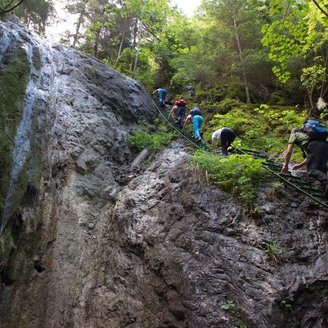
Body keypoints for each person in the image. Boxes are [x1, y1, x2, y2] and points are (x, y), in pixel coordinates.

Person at [280, 127, 328, 193]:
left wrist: (286, 166)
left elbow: (289, 151)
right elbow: (310, 156)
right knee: (321, 169)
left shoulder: (294, 135)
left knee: (312, 170)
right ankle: (325, 192)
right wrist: (299, 165)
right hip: (325, 145)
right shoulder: (308, 137)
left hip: (315, 146)